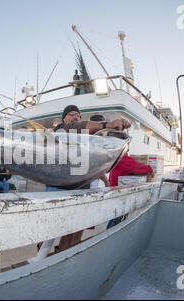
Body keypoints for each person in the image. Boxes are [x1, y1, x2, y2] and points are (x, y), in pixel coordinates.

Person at [45, 105, 131, 252]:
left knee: (76, 227)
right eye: (72, 114)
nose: (76, 117)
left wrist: (106, 181)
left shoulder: (82, 138)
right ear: (64, 118)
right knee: (50, 228)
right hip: (57, 188)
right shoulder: (60, 130)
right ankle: (41, 256)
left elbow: (91, 163)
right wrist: (108, 124)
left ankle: (66, 253)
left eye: (78, 115)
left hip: (80, 189)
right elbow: (76, 127)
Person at [106, 154, 153, 228]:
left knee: (116, 215)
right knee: (117, 216)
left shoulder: (116, 155)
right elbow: (134, 167)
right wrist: (149, 169)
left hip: (116, 187)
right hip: (119, 190)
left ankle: (110, 232)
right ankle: (110, 234)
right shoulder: (121, 156)